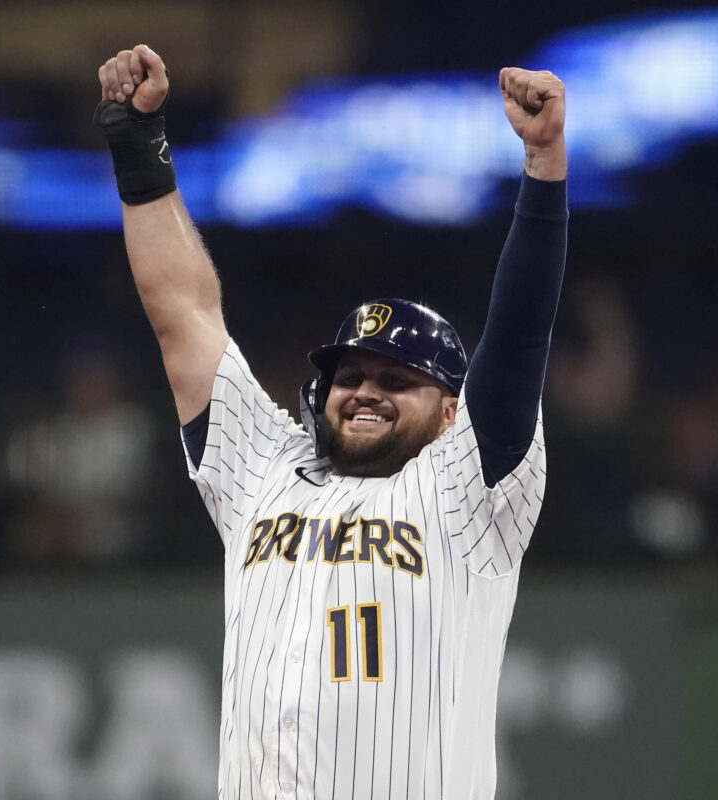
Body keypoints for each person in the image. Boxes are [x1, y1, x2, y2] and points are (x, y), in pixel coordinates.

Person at [95, 44, 567, 800]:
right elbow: (183, 315)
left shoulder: (466, 494)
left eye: (397, 380)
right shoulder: (265, 472)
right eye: (350, 375)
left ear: (452, 412)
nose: (365, 391)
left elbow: (518, 337)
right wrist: (138, 144)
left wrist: (544, 167)